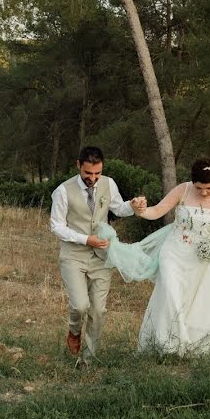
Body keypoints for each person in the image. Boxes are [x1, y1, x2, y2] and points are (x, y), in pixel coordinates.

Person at [102, 158, 210, 356]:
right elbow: (157, 211)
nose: (203, 192)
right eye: (199, 187)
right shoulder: (183, 190)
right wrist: (140, 211)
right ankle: (168, 344)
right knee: (170, 293)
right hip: (174, 252)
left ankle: (192, 345)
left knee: (199, 299)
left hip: (206, 259)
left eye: (208, 188)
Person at [50, 146, 144, 367]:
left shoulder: (108, 184)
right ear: (78, 165)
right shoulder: (63, 191)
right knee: (80, 305)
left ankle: (88, 359)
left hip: (102, 256)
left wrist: (132, 205)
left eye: (97, 174)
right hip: (73, 255)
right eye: (88, 173)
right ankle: (74, 331)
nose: (93, 179)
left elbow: (118, 209)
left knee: (99, 310)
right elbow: (56, 227)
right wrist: (85, 239)